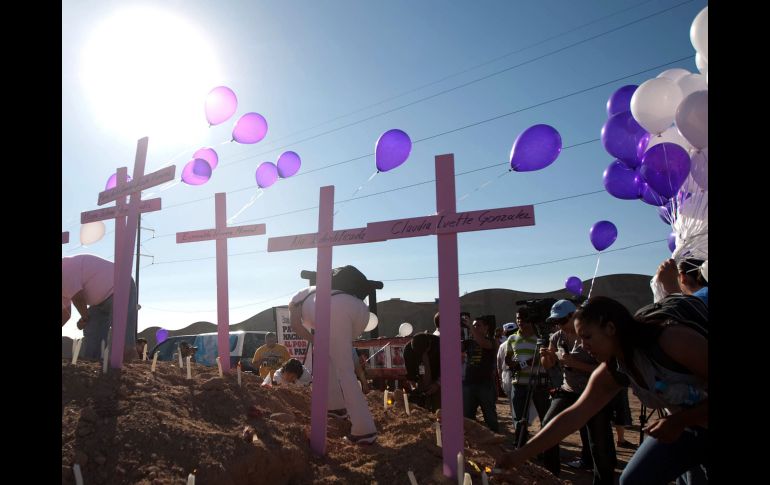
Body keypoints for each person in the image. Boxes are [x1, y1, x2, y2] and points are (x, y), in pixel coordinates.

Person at [497, 296, 708, 485]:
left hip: (685, 425)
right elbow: (575, 415)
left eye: (587, 337)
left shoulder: (673, 341)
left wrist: (679, 421)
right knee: (634, 479)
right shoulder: (613, 369)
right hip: (685, 429)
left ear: (610, 328)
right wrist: (518, 456)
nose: (583, 345)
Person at [289, 270, 378, 445]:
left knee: (344, 371)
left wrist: (315, 341)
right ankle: (336, 407)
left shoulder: (295, 300)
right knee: (331, 359)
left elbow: (295, 325)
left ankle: (364, 430)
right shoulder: (319, 291)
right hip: (360, 310)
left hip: (335, 310)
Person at [538, 299, 616, 484]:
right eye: (556, 322)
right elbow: (549, 365)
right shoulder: (557, 337)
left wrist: (574, 364)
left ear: (573, 316)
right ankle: (551, 475)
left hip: (595, 392)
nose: (559, 325)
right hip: (569, 389)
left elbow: (608, 369)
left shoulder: (590, 336)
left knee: (598, 441)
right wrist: (546, 357)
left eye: (562, 321)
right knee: (548, 426)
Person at [62, 254, 138, 361]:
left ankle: (129, 367)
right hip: (98, 303)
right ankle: (93, 366)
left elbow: (78, 298)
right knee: (93, 337)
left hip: (121, 286)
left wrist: (85, 318)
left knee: (122, 339)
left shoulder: (64, 269)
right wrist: (85, 318)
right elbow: (65, 314)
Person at [461, 315, 499, 433]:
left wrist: (470, 328)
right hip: (468, 383)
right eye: (474, 325)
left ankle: (496, 441)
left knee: (490, 417)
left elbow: (482, 343)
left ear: (486, 328)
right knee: (467, 416)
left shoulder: (492, 341)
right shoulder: (469, 342)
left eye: (478, 325)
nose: (475, 328)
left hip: (485, 384)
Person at [404, 333, 441, 411]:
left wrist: (437, 384)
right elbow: (411, 375)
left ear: (429, 345)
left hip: (439, 379)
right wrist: (414, 388)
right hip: (421, 381)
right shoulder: (408, 351)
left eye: (424, 352)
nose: (422, 355)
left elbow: (449, 368)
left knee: (439, 408)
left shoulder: (440, 344)